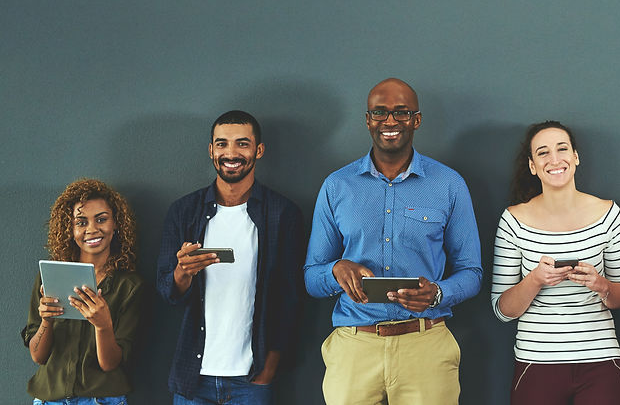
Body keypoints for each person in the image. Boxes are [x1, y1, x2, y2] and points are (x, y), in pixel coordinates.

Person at [304, 78, 482, 404]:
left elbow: (472, 272)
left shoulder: (449, 184)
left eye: (401, 112)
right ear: (367, 119)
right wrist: (336, 270)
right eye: (379, 112)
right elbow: (312, 278)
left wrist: (437, 293)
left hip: (425, 344)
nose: (389, 121)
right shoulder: (336, 186)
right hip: (354, 346)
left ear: (417, 120)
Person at [156, 110, 305, 405]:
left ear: (259, 150)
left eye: (242, 143)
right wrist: (183, 272)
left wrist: (269, 368)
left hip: (251, 379)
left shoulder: (282, 213)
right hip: (192, 378)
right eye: (222, 144)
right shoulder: (184, 211)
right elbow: (166, 292)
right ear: (211, 150)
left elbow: (291, 298)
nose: (231, 153)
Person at [490, 121, 620, 405]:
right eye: (543, 152)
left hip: (600, 358)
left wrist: (601, 284)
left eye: (562, 149)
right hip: (535, 360)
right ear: (533, 166)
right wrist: (535, 280)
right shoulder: (513, 220)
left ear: (575, 157)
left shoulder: (609, 215)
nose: (554, 159)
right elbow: (502, 310)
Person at [22, 178, 143, 405]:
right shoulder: (49, 277)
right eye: (81, 222)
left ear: (116, 224)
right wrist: (46, 320)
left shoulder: (129, 286)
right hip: (49, 399)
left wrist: (103, 325)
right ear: (70, 228)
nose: (92, 229)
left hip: (101, 400)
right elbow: (38, 356)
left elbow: (110, 363)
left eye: (101, 219)